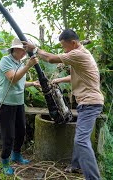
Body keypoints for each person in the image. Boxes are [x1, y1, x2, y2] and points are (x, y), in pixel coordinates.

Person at [22, 29, 104, 180]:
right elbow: (75, 75)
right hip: (87, 102)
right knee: (80, 136)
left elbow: (51, 59)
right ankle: (76, 165)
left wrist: (35, 49)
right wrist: (58, 80)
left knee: (81, 139)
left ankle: (93, 177)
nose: (63, 50)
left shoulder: (78, 54)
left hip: (90, 102)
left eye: (64, 46)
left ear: (73, 43)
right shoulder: (81, 54)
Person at [0, 38, 40, 175]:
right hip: (5, 104)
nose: (24, 53)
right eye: (23, 50)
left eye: (25, 50)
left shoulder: (20, 62)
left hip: (19, 103)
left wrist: (32, 83)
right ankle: (5, 161)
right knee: (8, 135)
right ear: (14, 49)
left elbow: (20, 82)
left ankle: (16, 154)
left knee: (21, 131)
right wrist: (28, 66)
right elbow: (13, 79)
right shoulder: (5, 60)